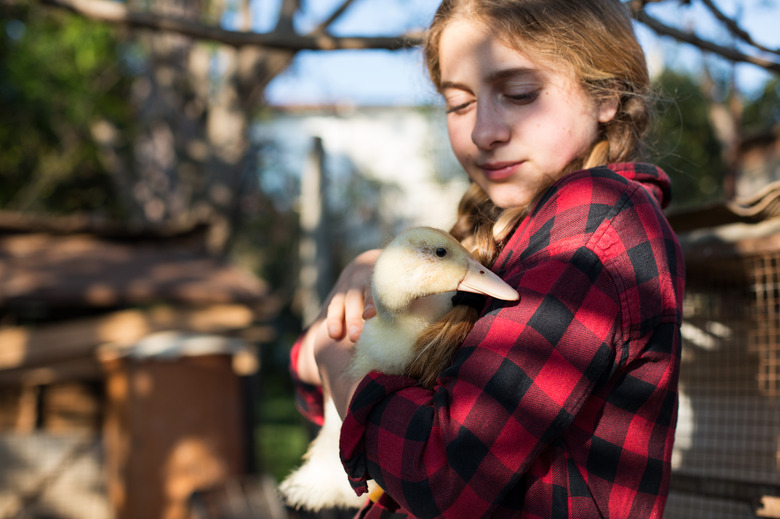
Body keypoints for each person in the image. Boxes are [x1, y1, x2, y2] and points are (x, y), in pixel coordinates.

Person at [289, 0, 685, 517]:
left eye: (520, 94)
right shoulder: (504, 233)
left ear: (606, 95)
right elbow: (318, 390)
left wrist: (331, 354)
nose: (483, 132)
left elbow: (440, 472)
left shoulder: (596, 223)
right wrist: (358, 281)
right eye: (458, 104)